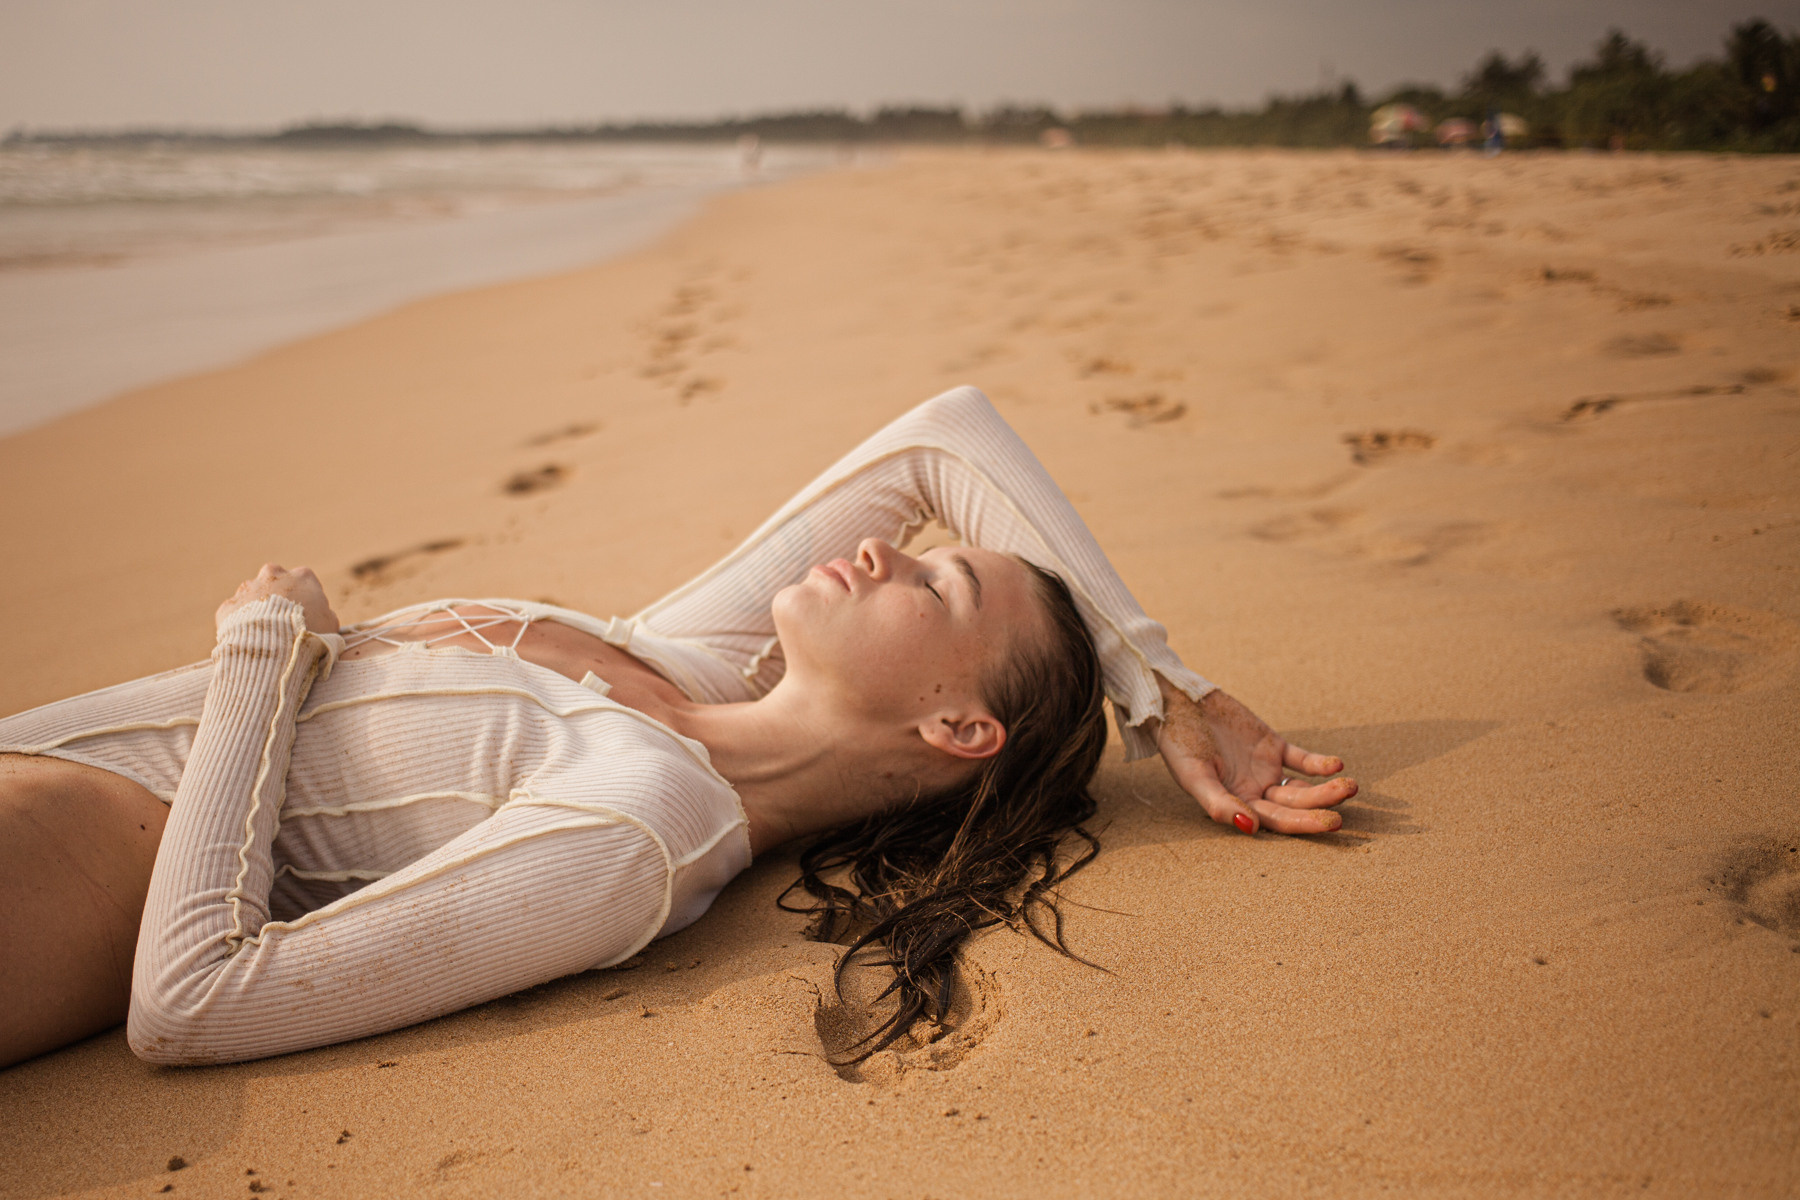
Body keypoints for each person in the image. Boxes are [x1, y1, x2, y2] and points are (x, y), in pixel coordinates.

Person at [0, 387, 1355, 1069]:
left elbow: (189, 1004)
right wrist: (1166, 695)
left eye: (943, 579)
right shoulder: (688, 661)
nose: (895, 553)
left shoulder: (639, 827)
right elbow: (946, 442)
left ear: (958, 728)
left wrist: (260, 655)